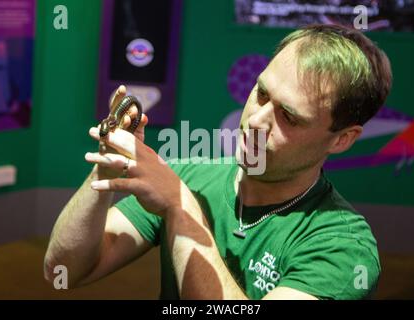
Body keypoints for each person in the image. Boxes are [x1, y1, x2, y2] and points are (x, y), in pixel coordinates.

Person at [44, 24, 392, 300]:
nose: (256, 121)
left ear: (343, 138)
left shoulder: (343, 249)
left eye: (289, 116)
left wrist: (181, 209)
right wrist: (104, 171)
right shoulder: (189, 177)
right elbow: (64, 271)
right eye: (261, 93)